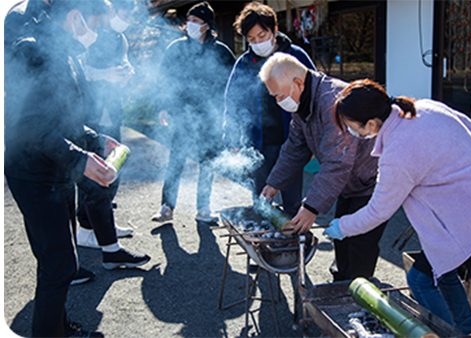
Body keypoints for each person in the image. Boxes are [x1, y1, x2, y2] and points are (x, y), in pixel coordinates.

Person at [325, 79, 471, 334]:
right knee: (443, 270)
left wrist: (342, 226)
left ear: (371, 124)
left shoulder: (397, 153)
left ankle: (444, 334)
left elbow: (378, 212)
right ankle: (464, 331)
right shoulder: (426, 107)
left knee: (420, 279)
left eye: (352, 127)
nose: (353, 133)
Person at [4, 0, 121, 335]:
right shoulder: (33, 51)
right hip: (33, 174)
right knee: (59, 265)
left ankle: (59, 326)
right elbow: (26, 121)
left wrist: (97, 140)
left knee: (60, 260)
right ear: (75, 17)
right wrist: (78, 158)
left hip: (55, 172)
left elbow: (65, 119)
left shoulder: (63, 52)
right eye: (95, 25)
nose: (96, 33)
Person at [258, 53, 387, 281]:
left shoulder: (332, 101)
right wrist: (273, 183)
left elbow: (338, 161)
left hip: (371, 181)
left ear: (298, 83)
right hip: (349, 184)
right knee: (342, 243)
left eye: (279, 95)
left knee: (359, 248)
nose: (278, 102)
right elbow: (295, 147)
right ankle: (340, 292)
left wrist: (312, 208)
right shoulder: (302, 103)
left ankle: (359, 301)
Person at [223, 2, 315, 217]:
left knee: (292, 203)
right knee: (262, 203)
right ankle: (266, 243)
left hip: (292, 142)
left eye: (262, 35)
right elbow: (232, 103)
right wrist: (232, 139)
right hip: (257, 144)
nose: (257, 43)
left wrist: (313, 142)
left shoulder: (296, 56)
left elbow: (314, 97)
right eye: (251, 39)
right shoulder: (244, 63)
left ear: (274, 30)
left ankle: (294, 244)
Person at [151, 1, 235, 223]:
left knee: (207, 162)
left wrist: (229, 114)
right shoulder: (176, 48)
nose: (190, 24)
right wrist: (162, 106)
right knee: (176, 160)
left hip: (211, 117)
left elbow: (232, 85)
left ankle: (203, 207)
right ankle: (166, 206)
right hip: (181, 114)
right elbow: (163, 79)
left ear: (207, 25)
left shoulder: (221, 52)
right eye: (189, 20)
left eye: (196, 21)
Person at [76, 0, 136, 249]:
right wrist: (105, 75)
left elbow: (124, 63)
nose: (127, 19)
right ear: (111, 11)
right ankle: (85, 228)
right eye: (124, 13)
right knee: (90, 171)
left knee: (113, 169)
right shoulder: (88, 34)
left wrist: (126, 73)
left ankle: (104, 222)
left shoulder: (121, 38)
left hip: (112, 112)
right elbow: (79, 70)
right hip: (89, 112)